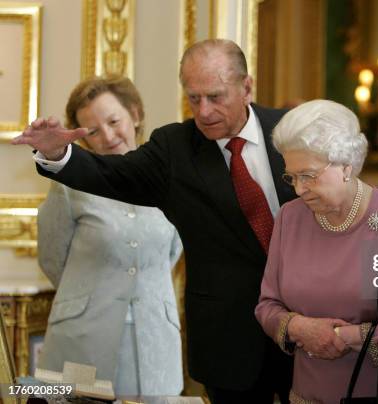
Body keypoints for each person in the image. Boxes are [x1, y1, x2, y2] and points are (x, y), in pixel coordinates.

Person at [13, 39, 294, 404]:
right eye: (194, 99)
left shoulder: (290, 132)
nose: (204, 111)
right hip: (225, 345)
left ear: (247, 87)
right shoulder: (174, 150)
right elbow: (105, 181)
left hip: (302, 330)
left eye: (215, 96)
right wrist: (56, 153)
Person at [255, 100, 378, 403]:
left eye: (309, 175)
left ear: (346, 165)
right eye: (292, 176)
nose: (299, 189)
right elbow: (267, 305)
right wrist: (300, 327)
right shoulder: (290, 217)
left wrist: (347, 337)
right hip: (303, 395)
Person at [36, 76, 183, 396]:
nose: (108, 135)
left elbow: (172, 253)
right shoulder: (68, 184)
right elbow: (51, 258)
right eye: (92, 131)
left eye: (114, 121)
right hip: (82, 335)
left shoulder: (172, 177)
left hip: (153, 335)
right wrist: (91, 293)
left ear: (136, 114)